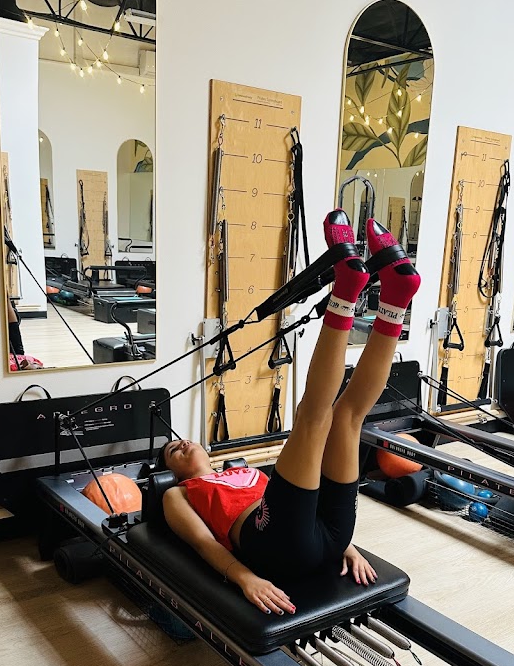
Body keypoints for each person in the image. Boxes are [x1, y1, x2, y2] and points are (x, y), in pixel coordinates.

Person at [161, 212, 420, 615]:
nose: (180, 444)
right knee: (314, 417)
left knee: (347, 417)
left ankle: (397, 298)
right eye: (172, 452)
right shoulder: (178, 494)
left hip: (330, 535)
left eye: (181, 441)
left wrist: (345, 546)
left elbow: (297, 505)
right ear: (174, 472)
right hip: (276, 548)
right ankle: (346, 288)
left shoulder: (244, 471)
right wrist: (244, 578)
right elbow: (203, 543)